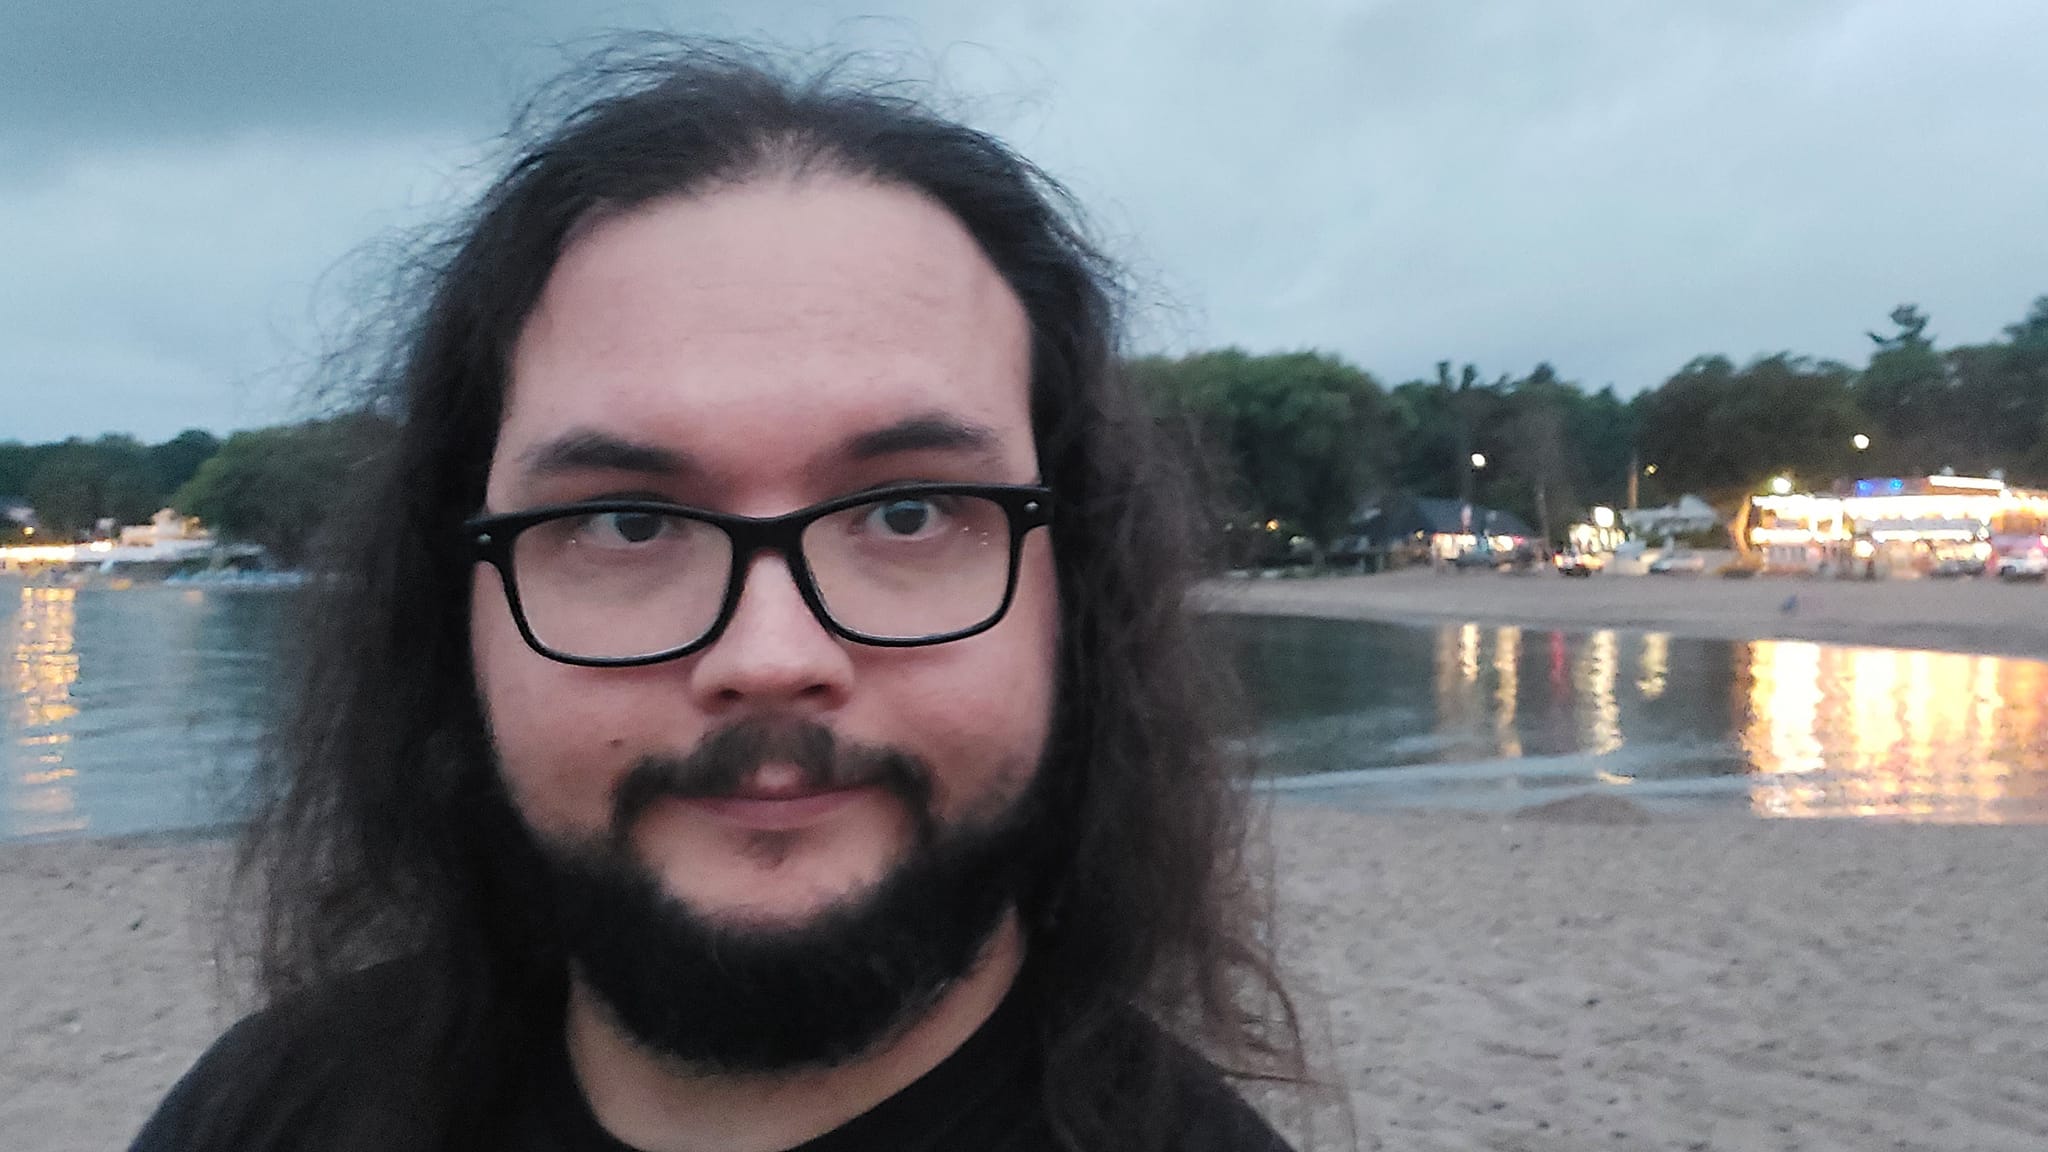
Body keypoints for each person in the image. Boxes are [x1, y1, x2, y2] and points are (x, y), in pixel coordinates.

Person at [130, 40, 1308, 1152]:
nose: (769, 653)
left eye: (906, 513)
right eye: (625, 522)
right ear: (457, 610)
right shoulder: (270, 1111)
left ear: (1075, 598)